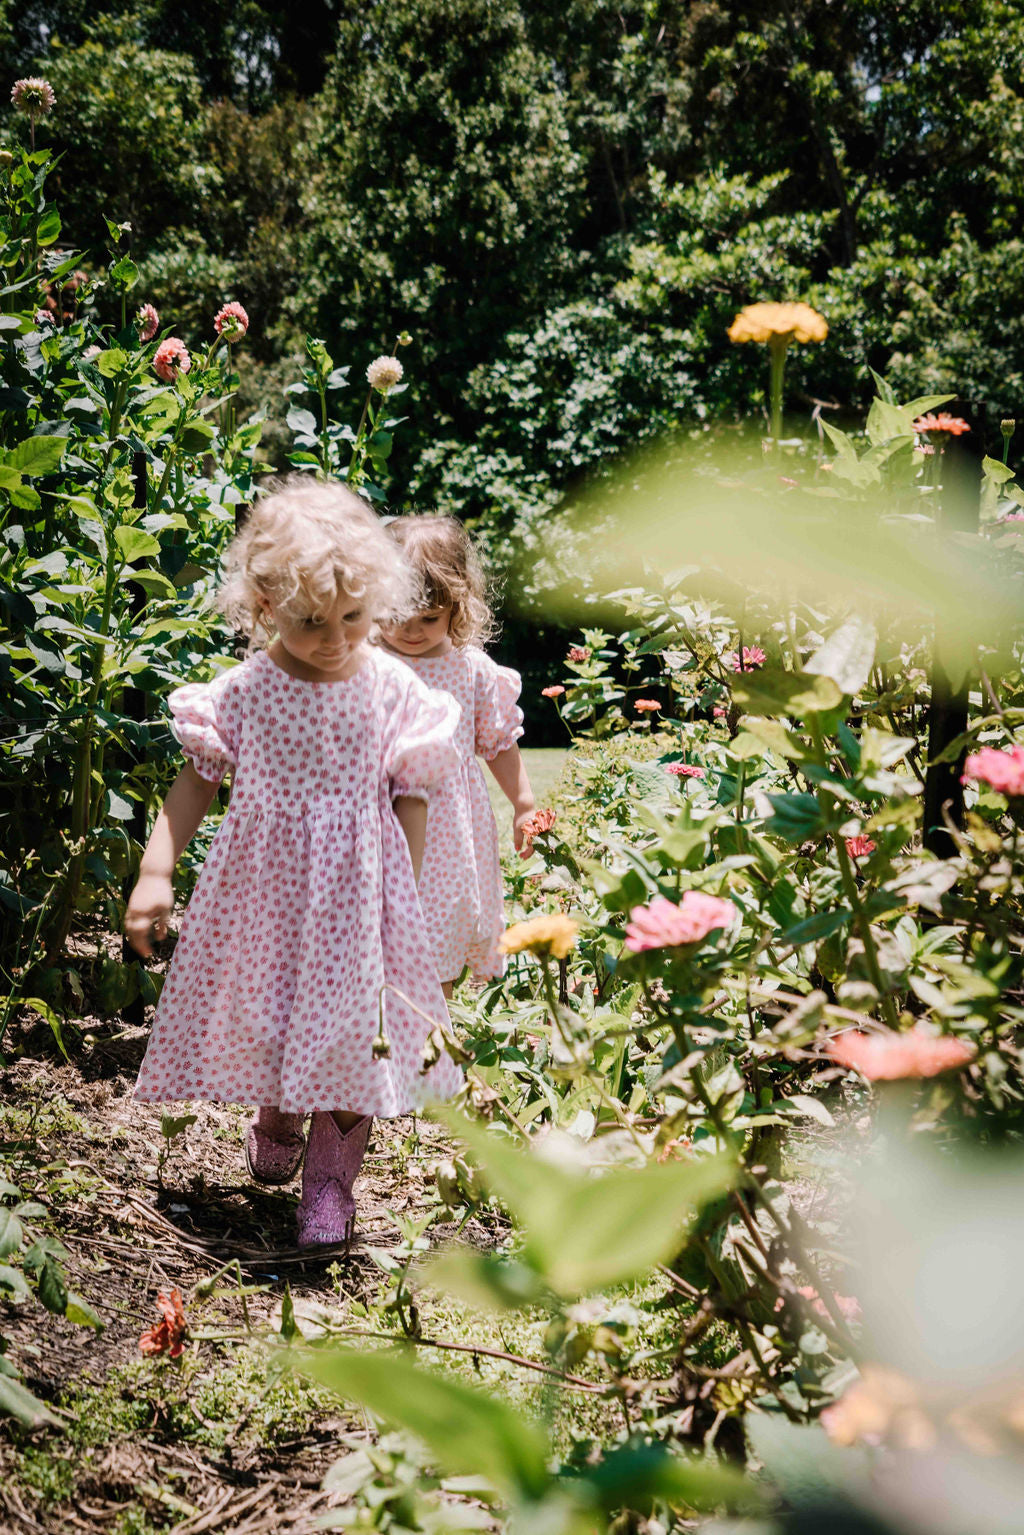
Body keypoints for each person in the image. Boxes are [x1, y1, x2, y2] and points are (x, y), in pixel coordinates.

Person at [124, 478, 462, 1249]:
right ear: (265, 601)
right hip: (266, 899)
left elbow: (411, 794)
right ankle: (276, 1111)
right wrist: (156, 873)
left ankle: (332, 1181)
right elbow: (196, 784)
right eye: (313, 620)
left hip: (360, 899)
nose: (337, 637)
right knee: (275, 1012)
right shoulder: (245, 692)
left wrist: (400, 899)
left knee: (351, 1034)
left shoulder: (390, 690)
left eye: (354, 616)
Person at [380, 514, 535, 995]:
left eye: (428, 619)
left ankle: (434, 1038)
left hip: (448, 830)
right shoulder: (366, 665)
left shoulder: (470, 671)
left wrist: (523, 801)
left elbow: (497, 742)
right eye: (396, 615)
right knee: (372, 937)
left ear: (457, 607)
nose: (410, 631)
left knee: (439, 929)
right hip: (379, 818)